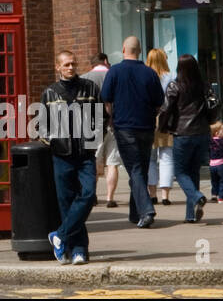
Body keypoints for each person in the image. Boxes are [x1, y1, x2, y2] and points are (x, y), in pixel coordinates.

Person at [41, 49, 102, 264]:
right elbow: (42, 126)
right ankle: (78, 250)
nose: (70, 68)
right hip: (62, 155)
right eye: (66, 64)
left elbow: (101, 118)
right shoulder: (50, 93)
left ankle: (59, 235)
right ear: (57, 67)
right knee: (66, 202)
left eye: (73, 64)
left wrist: (94, 143)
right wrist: (54, 143)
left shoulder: (90, 88)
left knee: (88, 195)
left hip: (85, 154)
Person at [99, 36, 164, 228]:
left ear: (123, 49)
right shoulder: (150, 73)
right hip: (146, 127)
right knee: (140, 170)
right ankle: (135, 214)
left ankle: (146, 210)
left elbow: (106, 100)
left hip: (124, 126)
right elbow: (159, 102)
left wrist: (112, 117)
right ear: (140, 50)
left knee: (135, 170)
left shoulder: (115, 71)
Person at [158, 54, 211, 223]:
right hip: (202, 132)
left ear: (179, 68)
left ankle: (196, 196)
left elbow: (166, 109)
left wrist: (163, 127)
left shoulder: (175, 86)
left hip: (183, 133)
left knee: (180, 172)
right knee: (193, 171)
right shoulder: (204, 85)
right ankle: (190, 214)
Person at [85, 54, 122, 208]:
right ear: (106, 62)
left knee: (92, 161)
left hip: (93, 125)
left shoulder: (84, 79)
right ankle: (110, 198)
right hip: (113, 123)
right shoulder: (114, 76)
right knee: (112, 163)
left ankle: (92, 195)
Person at [146, 48, 175, 206]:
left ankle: (152, 194)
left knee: (150, 158)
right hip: (166, 120)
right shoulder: (171, 77)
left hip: (149, 119)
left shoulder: (146, 76)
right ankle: (165, 195)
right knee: (166, 156)